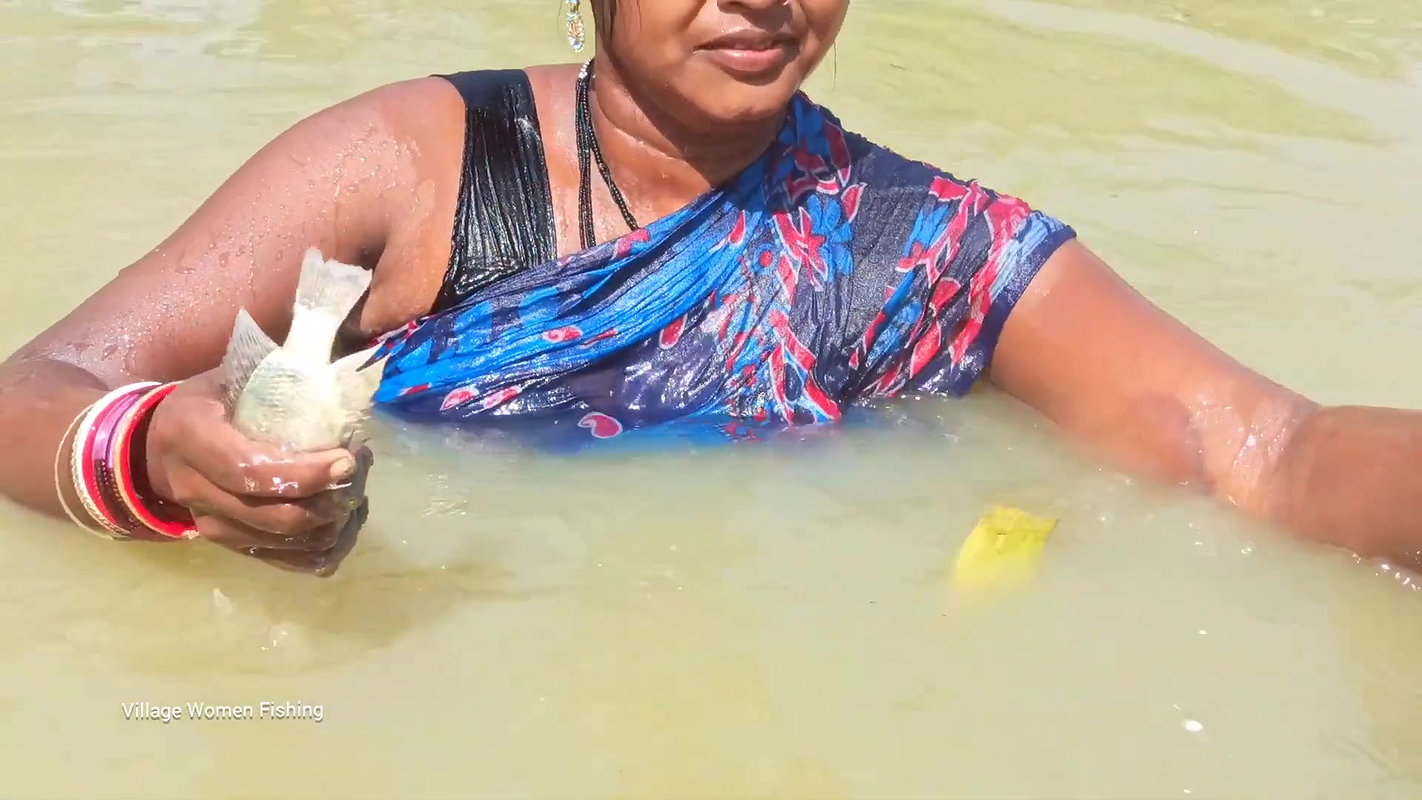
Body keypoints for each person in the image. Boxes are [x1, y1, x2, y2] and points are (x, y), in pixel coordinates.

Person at [1, 0, 1418, 577]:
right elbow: (34, 392)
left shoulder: (922, 248)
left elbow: (1267, 453)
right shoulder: (415, 166)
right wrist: (154, 455)